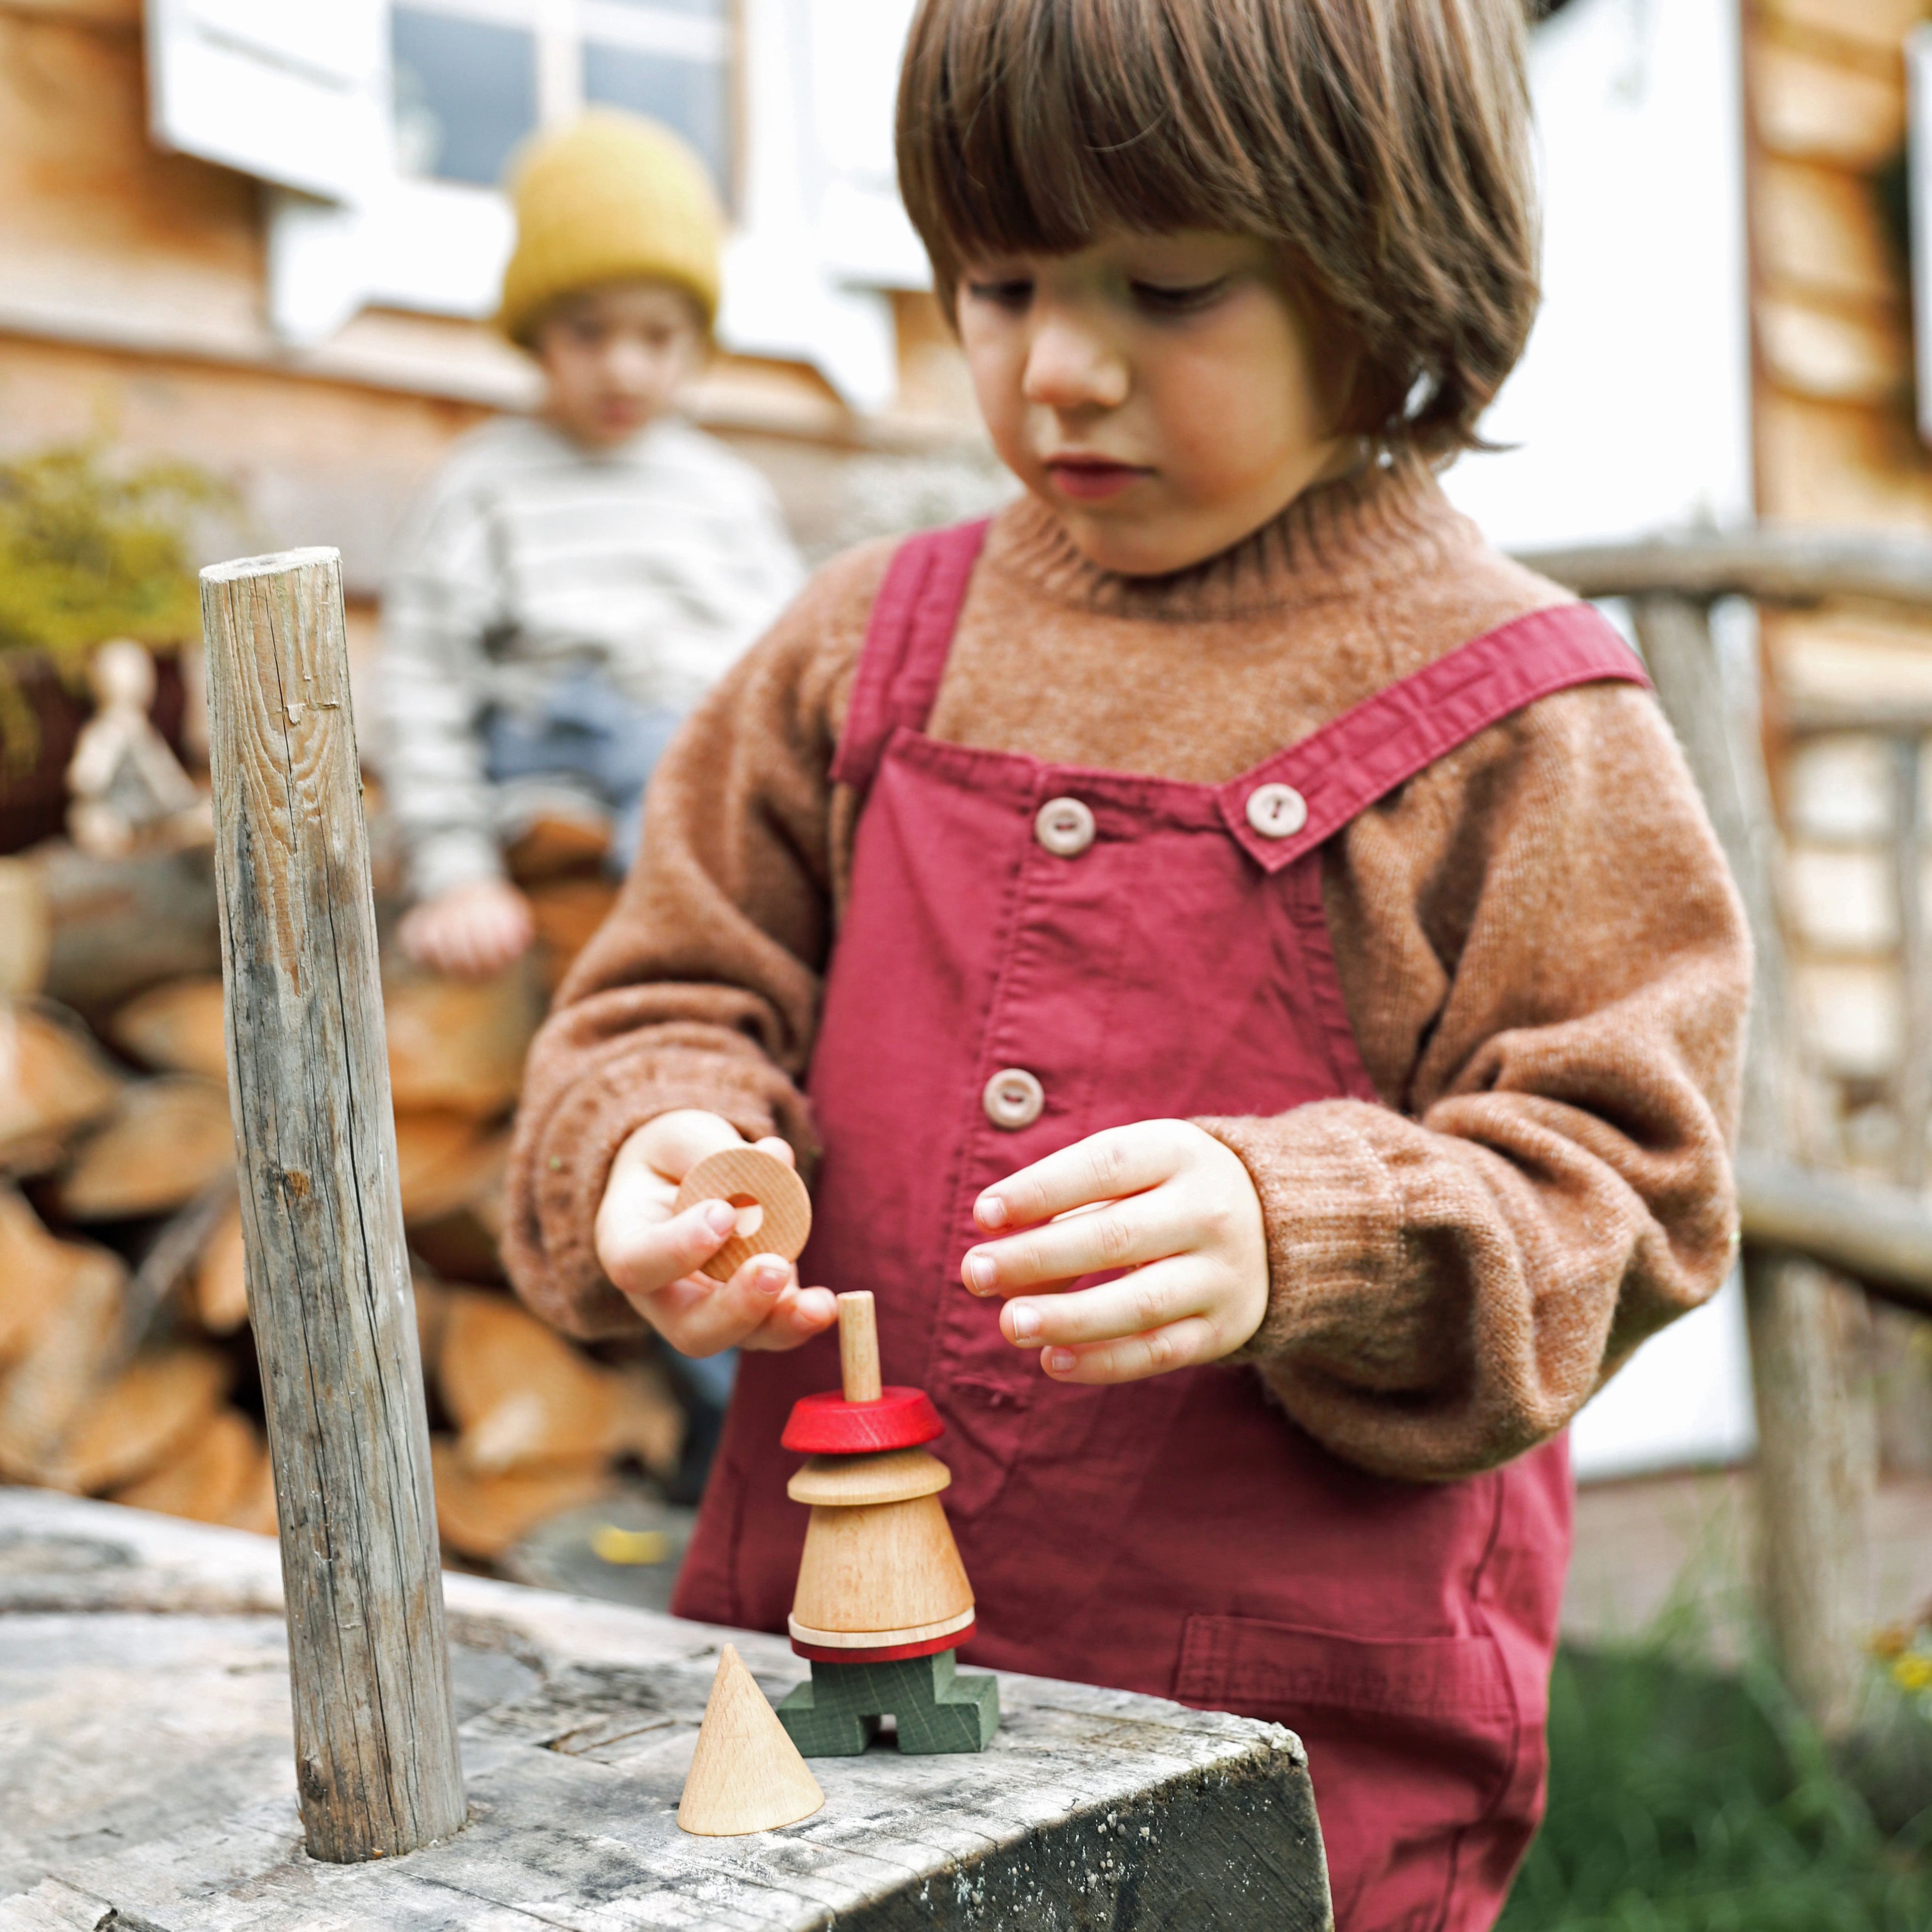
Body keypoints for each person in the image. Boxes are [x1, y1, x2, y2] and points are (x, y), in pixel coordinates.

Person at [503, 4, 1749, 1925]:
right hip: (831, 1719)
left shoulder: (1524, 722)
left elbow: (1627, 1182)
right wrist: (654, 1154)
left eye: (1167, 288)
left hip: (1292, 1761)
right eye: (999, 285)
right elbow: (672, 994)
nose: (1060, 368)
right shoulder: (864, 650)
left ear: (1389, 263)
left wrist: (1310, 1230)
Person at [380, 109, 802, 981]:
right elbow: (425, 678)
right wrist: (456, 870)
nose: (624, 368)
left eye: (656, 337)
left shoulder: (725, 494)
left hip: (694, 747)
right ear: (537, 334)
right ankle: (684, 959)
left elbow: (789, 661)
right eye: (589, 333)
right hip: (551, 749)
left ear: (697, 344)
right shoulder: (485, 485)